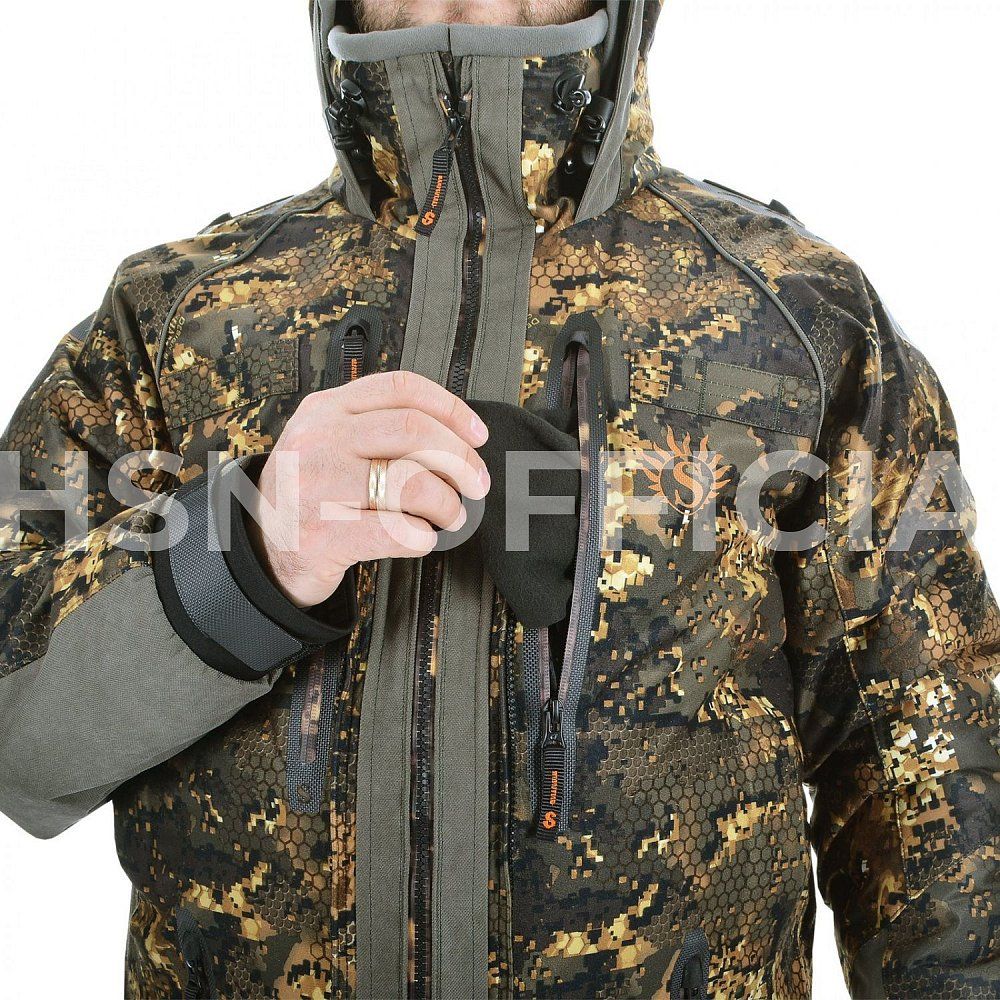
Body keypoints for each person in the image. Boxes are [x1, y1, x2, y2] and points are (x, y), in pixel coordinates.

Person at [1, 1, 997, 997]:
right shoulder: (172, 323)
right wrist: (247, 556)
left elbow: (935, 791)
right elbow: (16, 743)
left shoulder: (797, 322)